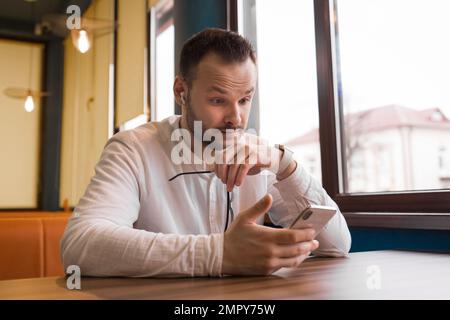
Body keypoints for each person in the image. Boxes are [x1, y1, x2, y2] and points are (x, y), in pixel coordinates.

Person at [61, 28, 351, 277]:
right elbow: (80, 245)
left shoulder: (258, 155)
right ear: (180, 91)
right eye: (217, 100)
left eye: (245, 99)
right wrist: (219, 254)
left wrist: (286, 165)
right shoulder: (133, 148)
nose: (236, 118)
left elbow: (337, 245)